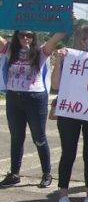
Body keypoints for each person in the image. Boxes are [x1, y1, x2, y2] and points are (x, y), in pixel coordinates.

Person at [0, 30, 66, 188]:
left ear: (33, 37)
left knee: (39, 137)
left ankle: (46, 173)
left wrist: (63, 23)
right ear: (16, 36)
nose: (25, 38)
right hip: (13, 97)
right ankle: (14, 173)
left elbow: (55, 39)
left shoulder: (40, 52)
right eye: (22, 35)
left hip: (35, 98)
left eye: (29, 35)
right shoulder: (10, 49)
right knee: (16, 137)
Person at [50, 26, 88, 202]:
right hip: (70, 112)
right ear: (82, 41)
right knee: (68, 152)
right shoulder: (69, 58)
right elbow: (55, 85)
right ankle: (64, 196)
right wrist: (58, 62)